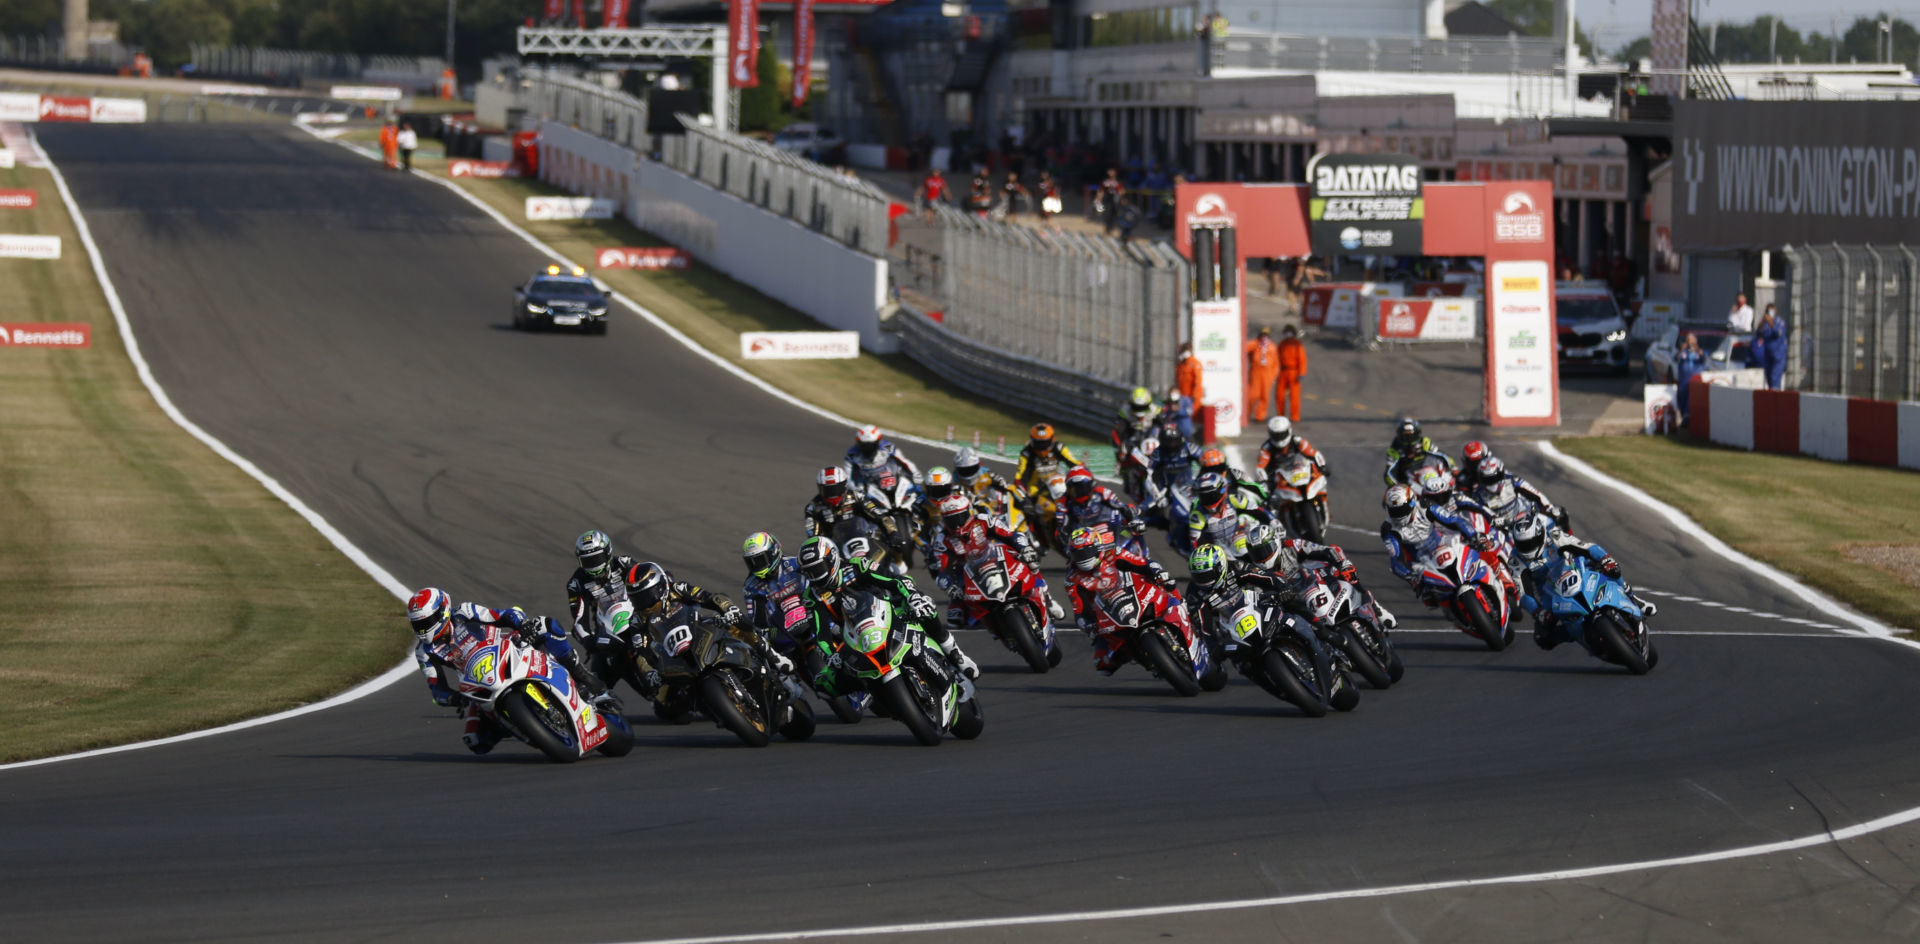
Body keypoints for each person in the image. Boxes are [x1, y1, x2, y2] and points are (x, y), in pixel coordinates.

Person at [407, 587, 611, 754]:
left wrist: (521, 624)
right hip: (479, 683)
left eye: (426, 623)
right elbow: (437, 691)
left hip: (507, 648)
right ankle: (516, 725)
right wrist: (455, 699)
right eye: (418, 625)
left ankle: (580, 673)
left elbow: (504, 614)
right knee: (476, 742)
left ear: (442, 611)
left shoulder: (464, 612)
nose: (423, 630)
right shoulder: (424, 652)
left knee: (547, 625)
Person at [805, 532, 981, 679]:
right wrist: (830, 655)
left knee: (924, 606)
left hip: (887, 611)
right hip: (855, 636)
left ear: (832, 558)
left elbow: (895, 581)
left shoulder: (856, 566)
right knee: (828, 682)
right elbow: (821, 634)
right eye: (810, 572)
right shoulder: (813, 595)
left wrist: (912, 596)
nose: (816, 576)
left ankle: (953, 652)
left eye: (819, 569)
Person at [1511, 514, 1656, 651]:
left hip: (1577, 571)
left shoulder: (1554, 536)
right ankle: (1576, 633)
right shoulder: (1515, 560)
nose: (1528, 547)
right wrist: (1538, 612)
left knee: (1612, 569)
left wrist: (1605, 558)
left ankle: (1632, 597)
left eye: (1530, 542)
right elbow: (1523, 593)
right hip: (1551, 595)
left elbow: (1587, 547)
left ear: (1540, 534)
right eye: (1523, 544)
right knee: (1542, 637)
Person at [930, 492, 1065, 626]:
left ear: (969, 512)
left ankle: (1048, 599)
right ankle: (990, 623)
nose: (957, 525)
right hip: (968, 573)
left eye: (960, 518)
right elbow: (942, 570)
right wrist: (949, 586)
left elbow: (1010, 535)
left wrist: (1024, 548)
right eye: (952, 520)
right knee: (955, 618)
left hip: (995, 558)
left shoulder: (983, 520)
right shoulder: (942, 540)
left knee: (1030, 562)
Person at [1064, 526, 1180, 676]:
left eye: (1086, 552)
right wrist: (1088, 626)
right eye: (1077, 554)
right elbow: (1079, 611)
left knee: (1165, 582)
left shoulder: (1112, 552)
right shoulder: (1072, 579)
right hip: (1107, 612)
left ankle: (1180, 605)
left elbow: (1141, 563)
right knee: (1103, 665)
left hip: (1131, 590)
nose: (1083, 558)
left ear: (1097, 547)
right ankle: (1142, 657)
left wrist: (1157, 572)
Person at [1379, 484, 1514, 600]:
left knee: (1477, 547)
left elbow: (1453, 520)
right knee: (1428, 597)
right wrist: (1410, 576)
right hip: (1421, 562)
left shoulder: (1426, 506)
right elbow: (1395, 559)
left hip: (1443, 545)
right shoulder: (1388, 529)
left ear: (1412, 502)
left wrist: (1475, 536)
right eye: (1394, 511)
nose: (1398, 514)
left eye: (1401, 509)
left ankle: (1502, 579)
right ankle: (1452, 609)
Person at [804, 464, 903, 546]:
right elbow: (813, 536)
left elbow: (878, 515)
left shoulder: (857, 496)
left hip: (866, 537)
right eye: (828, 490)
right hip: (837, 547)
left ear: (844, 486)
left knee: (894, 537)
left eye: (836, 489)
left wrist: (892, 532)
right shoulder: (813, 508)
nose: (832, 494)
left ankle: (898, 562)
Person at [1057, 466, 1143, 555]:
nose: (1078, 492)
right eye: (1073, 488)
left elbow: (1123, 507)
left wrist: (1133, 517)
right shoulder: (1063, 502)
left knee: (1134, 525)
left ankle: (1143, 553)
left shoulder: (1102, 492)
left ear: (1090, 485)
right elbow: (1062, 529)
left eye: (1081, 487)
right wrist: (1068, 547)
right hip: (1086, 538)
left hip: (1113, 530)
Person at [1471, 456, 1567, 531]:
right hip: (1504, 530)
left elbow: (1535, 494)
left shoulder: (1512, 480)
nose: (1492, 483)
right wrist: (1493, 522)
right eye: (1487, 480)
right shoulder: (1477, 495)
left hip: (1527, 518)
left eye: (1495, 478)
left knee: (1559, 517)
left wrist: (1548, 507)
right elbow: (1478, 519)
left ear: (1502, 473)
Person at [1015, 423, 1079, 501]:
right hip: (1036, 491)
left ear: (1052, 439)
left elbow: (1075, 464)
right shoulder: (1027, 453)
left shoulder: (1059, 448)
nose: (1041, 447)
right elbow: (1019, 477)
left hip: (1059, 485)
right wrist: (1023, 492)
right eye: (1038, 443)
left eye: (1045, 443)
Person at [1383, 417, 1456, 486]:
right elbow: (1388, 474)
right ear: (1399, 436)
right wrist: (1397, 486)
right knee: (1392, 496)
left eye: (1412, 436)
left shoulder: (1425, 443)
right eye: (1406, 437)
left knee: (1454, 482)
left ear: (1418, 434)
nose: (1409, 439)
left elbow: (1443, 456)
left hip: (1431, 476)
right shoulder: (1394, 450)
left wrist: (1453, 469)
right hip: (1408, 482)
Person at [1254, 417, 1327, 485]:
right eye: (1276, 435)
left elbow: (1314, 454)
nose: (1279, 439)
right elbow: (1260, 467)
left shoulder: (1298, 441)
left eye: (1282, 435)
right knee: (1266, 494)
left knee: (1318, 483)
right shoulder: (1267, 448)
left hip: (1300, 474)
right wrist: (1263, 479)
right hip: (1278, 480)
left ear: (1289, 431)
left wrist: (1322, 467)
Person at [845, 424, 921, 487]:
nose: (867, 449)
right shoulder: (852, 455)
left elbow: (904, 462)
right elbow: (848, 476)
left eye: (871, 445)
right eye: (864, 445)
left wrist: (915, 474)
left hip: (892, 480)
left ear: (878, 442)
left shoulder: (888, 448)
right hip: (868, 486)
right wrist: (855, 488)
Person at [1111, 386, 1159, 462]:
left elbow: (1165, 427)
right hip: (1132, 441)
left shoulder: (1156, 411)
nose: (1139, 410)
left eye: (1143, 407)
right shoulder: (1124, 412)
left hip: (1151, 440)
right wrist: (1119, 447)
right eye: (1136, 407)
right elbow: (1117, 432)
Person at [1244, 325, 1281, 423]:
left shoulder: (1272, 347)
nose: (1264, 337)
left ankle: (1260, 416)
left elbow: (1276, 363)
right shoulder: (1255, 344)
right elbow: (1244, 348)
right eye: (1263, 335)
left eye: (1266, 335)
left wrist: (1274, 376)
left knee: (1264, 396)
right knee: (1252, 395)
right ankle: (1246, 414)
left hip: (1267, 374)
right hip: (1255, 372)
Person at [1673, 332, 1708, 422]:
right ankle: (1685, 418)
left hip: (1695, 381)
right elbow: (1675, 358)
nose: (1690, 343)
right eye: (1688, 341)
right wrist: (1681, 349)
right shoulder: (1683, 353)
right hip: (1684, 381)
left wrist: (1696, 348)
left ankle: (1690, 419)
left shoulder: (1699, 352)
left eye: (1692, 341)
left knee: (1693, 400)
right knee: (1683, 399)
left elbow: (1704, 358)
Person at [1276, 325, 1307, 423]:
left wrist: (1301, 373)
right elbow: (1277, 358)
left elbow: (1302, 359)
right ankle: (1281, 415)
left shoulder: (1297, 344)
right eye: (1286, 332)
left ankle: (1295, 416)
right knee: (1279, 395)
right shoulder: (1282, 344)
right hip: (1283, 371)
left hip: (1294, 372)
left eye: (1290, 332)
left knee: (1294, 396)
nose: (1288, 334)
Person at [1174, 341, 1205, 437]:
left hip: (1192, 398)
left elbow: (1197, 382)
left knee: (1192, 417)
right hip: (1182, 397)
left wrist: (1194, 396)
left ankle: (1193, 437)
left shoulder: (1195, 363)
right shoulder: (1180, 365)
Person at [1754, 304, 1787, 390]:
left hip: (1778, 356)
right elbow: (1758, 334)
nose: (1770, 313)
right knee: (1768, 378)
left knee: (1774, 378)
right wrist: (1762, 322)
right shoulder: (1765, 324)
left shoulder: (1780, 322)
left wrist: (1771, 322)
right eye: (1768, 311)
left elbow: (1778, 333)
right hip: (1768, 355)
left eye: (1772, 311)